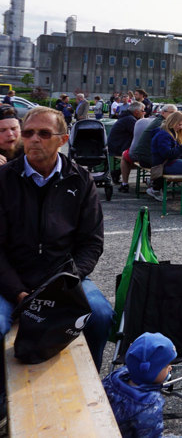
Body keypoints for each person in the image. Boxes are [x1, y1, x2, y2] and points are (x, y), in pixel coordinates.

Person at [0, 106, 113, 369]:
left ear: (63, 140)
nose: (34, 139)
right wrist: (17, 291)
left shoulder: (81, 180)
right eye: (28, 133)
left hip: (62, 278)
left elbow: (92, 242)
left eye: (44, 133)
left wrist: (63, 285)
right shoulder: (4, 179)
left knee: (100, 315)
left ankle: (91, 382)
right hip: (10, 282)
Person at [102, 332, 177, 438]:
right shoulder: (148, 405)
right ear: (152, 372)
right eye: (167, 366)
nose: (170, 368)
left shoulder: (115, 378)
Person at [107, 102, 144, 192]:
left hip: (116, 145)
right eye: (143, 110)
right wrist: (143, 120)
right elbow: (140, 135)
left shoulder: (126, 117)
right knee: (141, 157)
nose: (144, 112)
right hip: (119, 147)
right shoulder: (130, 120)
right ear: (136, 112)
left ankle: (118, 172)